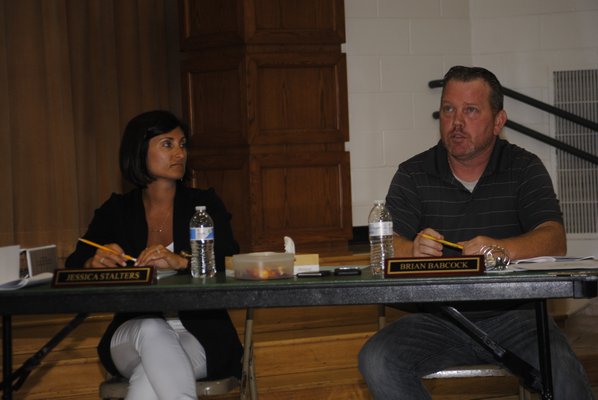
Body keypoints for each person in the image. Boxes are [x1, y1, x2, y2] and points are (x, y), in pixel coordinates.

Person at [358, 66, 594, 399]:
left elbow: (553, 237)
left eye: (470, 111)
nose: (456, 122)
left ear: (498, 121)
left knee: (564, 372)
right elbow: (387, 244)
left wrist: (501, 249)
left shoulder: (524, 168)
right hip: (438, 318)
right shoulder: (413, 174)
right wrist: (411, 248)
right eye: (448, 109)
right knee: (376, 359)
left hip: (517, 316)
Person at [65, 110, 243, 400]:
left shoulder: (204, 204)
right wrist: (92, 261)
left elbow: (229, 258)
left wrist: (183, 261)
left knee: (151, 376)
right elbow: (76, 261)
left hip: (201, 335)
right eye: (167, 144)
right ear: (139, 151)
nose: (179, 153)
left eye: (183, 144)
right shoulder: (117, 211)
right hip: (131, 333)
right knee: (151, 328)